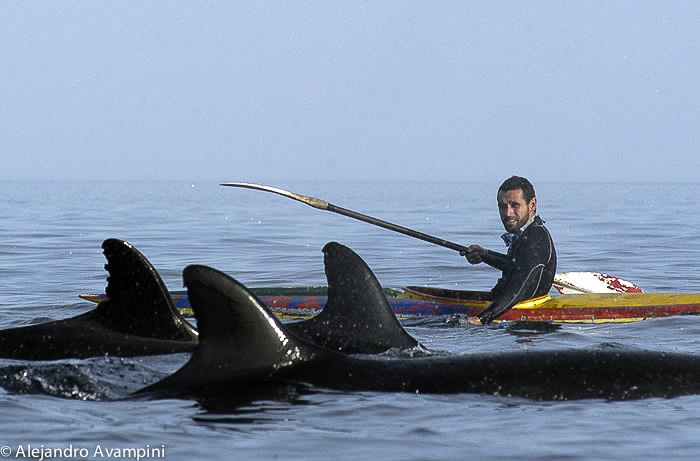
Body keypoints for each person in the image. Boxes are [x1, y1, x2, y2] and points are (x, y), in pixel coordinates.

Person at [462, 176, 556, 325]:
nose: (508, 213)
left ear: (532, 204)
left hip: (529, 330)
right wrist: (484, 255)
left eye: (515, 205)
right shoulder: (526, 233)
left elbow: (519, 288)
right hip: (509, 313)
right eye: (502, 206)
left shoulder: (536, 238)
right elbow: (516, 266)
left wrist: (481, 319)